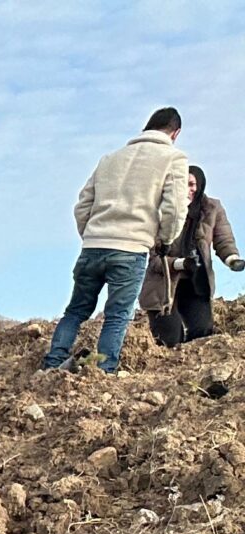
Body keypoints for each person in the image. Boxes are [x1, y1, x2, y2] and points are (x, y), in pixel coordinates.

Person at [43, 109, 190, 375]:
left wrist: (91, 235)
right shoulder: (173, 158)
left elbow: (82, 205)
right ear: (175, 133)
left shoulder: (110, 159)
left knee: (75, 310)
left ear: (146, 127)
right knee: (117, 315)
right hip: (130, 248)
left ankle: (52, 365)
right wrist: (165, 240)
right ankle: (102, 372)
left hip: (92, 246)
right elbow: (176, 208)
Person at [146, 166, 243, 348]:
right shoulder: (160, 212)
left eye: (192, 185)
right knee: (170, 340)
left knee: (202, 333)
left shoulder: (212, 208)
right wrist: (181, 264)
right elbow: (154, 260)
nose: (189, 190)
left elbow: (223, 238)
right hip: (163, 285)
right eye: (184, 184)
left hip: (195, 282)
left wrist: (232, 258)